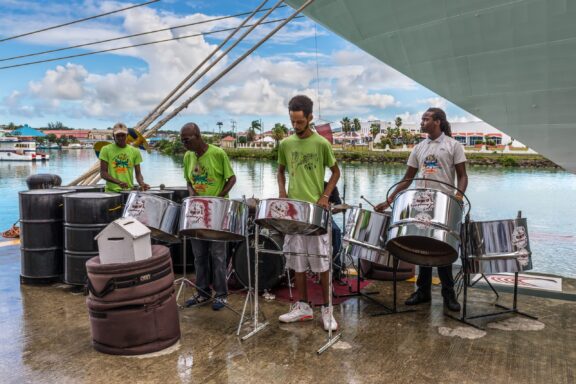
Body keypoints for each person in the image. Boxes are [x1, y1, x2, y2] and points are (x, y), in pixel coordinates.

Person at [375, 108, 468, 312]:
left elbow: (462, 176)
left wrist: (459, 197)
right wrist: (389, 200)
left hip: (443, 204)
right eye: (422, 119)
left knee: (442, 248)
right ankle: (423, 291)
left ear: (438, 122)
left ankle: (448, 294)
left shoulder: (453, 145)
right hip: (422, 202)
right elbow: (407, 179)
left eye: (426, 119)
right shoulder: (419, 148)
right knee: (423, 247)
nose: (422, 122)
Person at [277, 95, 341, 331]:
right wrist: (282, 191)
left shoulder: (321, 144)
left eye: (300, 122)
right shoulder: (286, 144)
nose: (295, 126)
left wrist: (325, 196)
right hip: (294, 211)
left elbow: (336, 172)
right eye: (293, 121)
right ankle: (303, 307)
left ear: (310, 118)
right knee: (297, 261)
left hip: (316, 211)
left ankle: (327, 309)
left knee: (322, 262)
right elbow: (280, 170)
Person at [180, 123, 237, 311]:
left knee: (218, 256)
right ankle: (202, 292)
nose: (183, 144)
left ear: (197, 136)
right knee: (199, 256)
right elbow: (189, 180)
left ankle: (221, 295)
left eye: (186, 140)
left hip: (217, 212)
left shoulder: (218, 153)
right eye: (181, 140)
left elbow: (232, 179)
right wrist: (192, 193)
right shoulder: (188, 156)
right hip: (197, 212)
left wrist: (218, 199)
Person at [99, 122, 149, 192]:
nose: (120, 138)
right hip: (111, 192)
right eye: (118, 136)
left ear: (127, 135)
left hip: (128, 191)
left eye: (123, 135)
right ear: (113, 136)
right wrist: (118, 182)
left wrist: (142, 183)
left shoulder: (135, 151)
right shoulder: (105, 149)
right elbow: (103, 173)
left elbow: (138, 174)